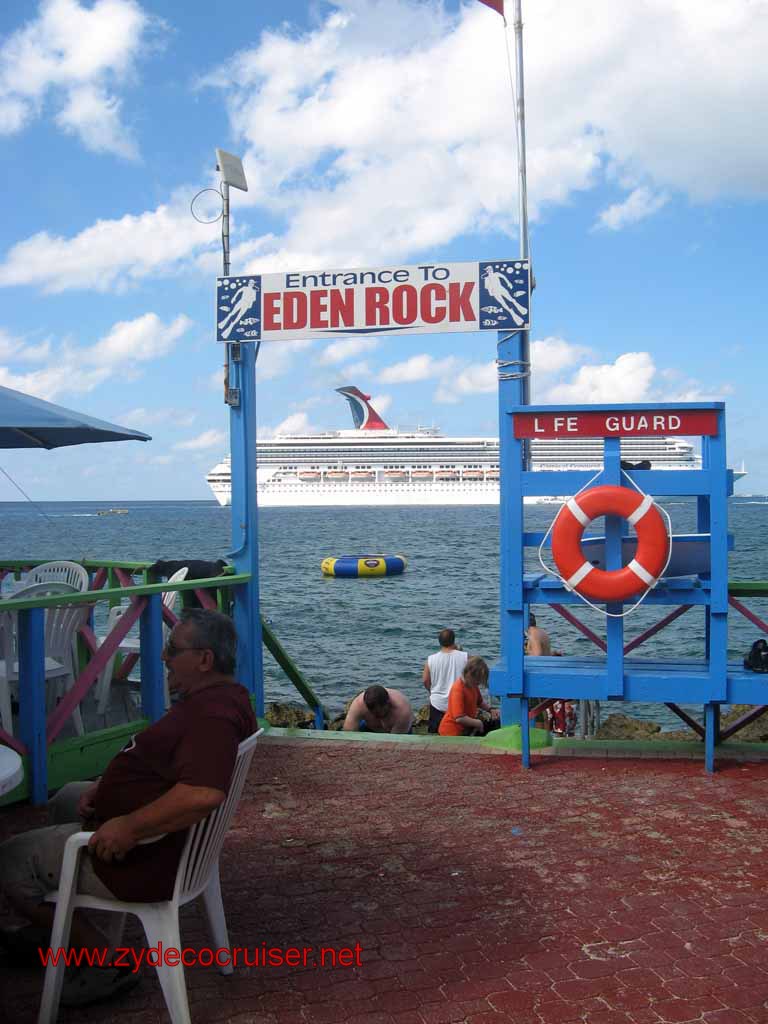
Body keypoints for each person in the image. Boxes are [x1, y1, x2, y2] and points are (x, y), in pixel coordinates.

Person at [0, 608, 257, 1006]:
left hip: (147, 856)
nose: (163, 657)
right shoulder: (225, 698)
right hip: (156, 837)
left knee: (10, 861)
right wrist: (106, 787)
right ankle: (57, 926)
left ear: (205, 660)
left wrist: (130, 827)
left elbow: (203, 793)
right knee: (67, 796)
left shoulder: (211, 718)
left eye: (173, 649)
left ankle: (104, 962)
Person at [423, 628, 468, 734]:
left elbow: (425, 680)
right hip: (458, 704)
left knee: (435, 735)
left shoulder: (431, 659)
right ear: (454, 640)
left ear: (439, 642)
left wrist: (431, 691)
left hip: (437, 704)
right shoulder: (465, 657)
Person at [438, 656, 497, 737]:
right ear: (469, 674)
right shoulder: (458, 689)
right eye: (477, 679)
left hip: (466, 728)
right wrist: (477, 723)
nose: (479, 683)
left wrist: (491, 710)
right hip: (452, 732)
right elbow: (459, 718)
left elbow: (479, 702)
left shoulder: (472, 685)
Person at [342, 685, 413, 734]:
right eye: (373, 713)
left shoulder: (402, 710)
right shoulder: (358, 705)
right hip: (369, 727)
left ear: (388, 703)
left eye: (379, 713)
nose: (377, 716)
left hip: (400, 731)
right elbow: (348, 732)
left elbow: (395, 742)